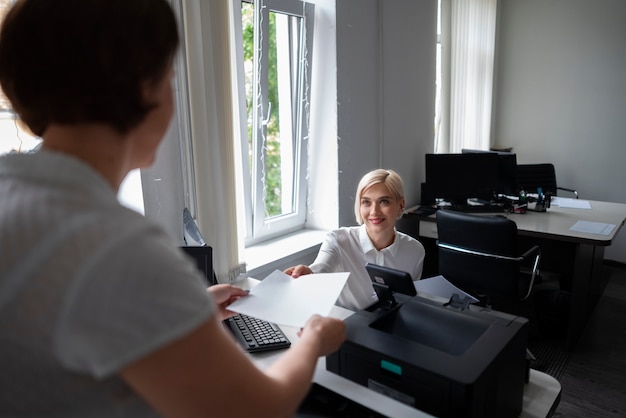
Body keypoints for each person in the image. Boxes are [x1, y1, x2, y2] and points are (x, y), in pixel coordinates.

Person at [0, 1, 345, 417]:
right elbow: (257, 409)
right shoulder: (116, 247)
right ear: (144, 86)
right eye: (169, 76)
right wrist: (313, 339)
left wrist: (182, 307)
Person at [285, 169, 426, 311]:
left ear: (401, 205)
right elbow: (322, 267)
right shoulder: (338, 240)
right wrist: (309, 273)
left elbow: (408, 302)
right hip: (345, 326)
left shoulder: (415, 251)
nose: (374, 211)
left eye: (384, 201)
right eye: (366, 202)